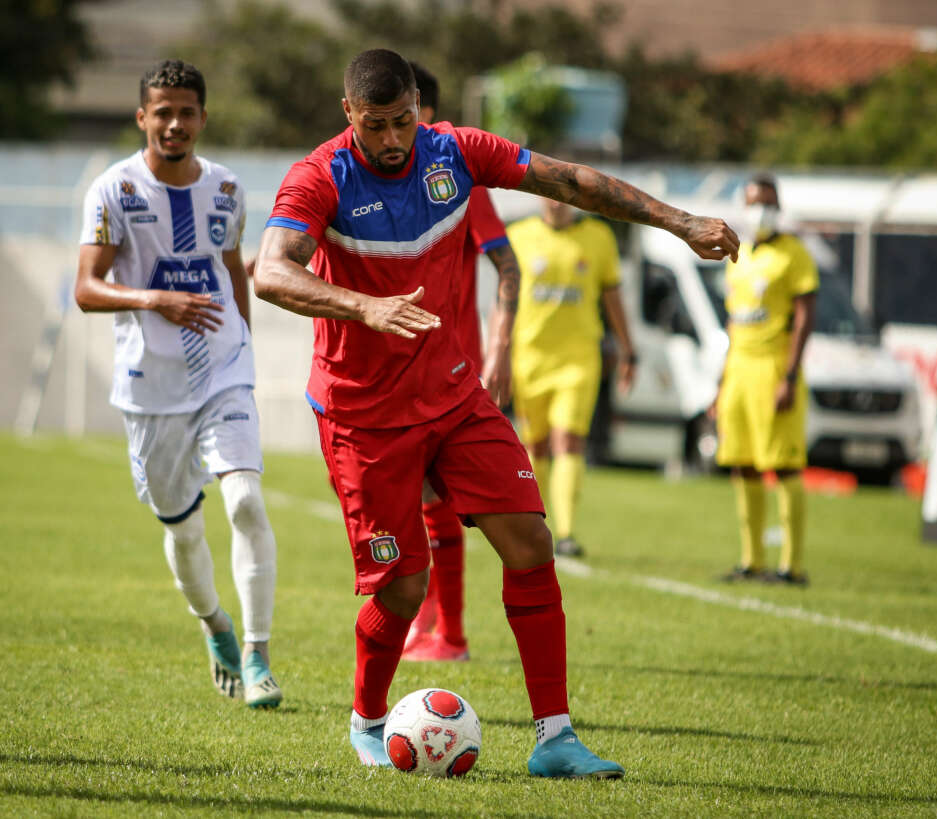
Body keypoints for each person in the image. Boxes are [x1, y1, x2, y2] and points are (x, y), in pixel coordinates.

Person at [253, 49, 737, 778]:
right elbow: (270, 269)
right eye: (376, 125)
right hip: (363, 414)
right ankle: (367, 717)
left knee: (531, 541)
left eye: (403, 121)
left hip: (453, 394)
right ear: (348, 115)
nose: (392, 139)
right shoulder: (319, 176)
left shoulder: (456, 151)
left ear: (421, 104)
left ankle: (555, 737)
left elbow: (570, 180)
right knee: (402, 586)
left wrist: (680, 221)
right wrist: (365, 306)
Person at [74, 59, 282, 709]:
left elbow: (231, 269)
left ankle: (258, 653)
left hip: (223, 368)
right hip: (151, 384)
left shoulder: (226, 188)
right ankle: (216, 625)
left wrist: (243, 341)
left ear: (202, 118)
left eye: (186, 112)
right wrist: (153, 298)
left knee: (246, 499)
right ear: (142, 117)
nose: (174, 123)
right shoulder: (112, 190)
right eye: (161, 112)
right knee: (184, 528)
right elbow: (85, 287)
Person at [400, 61, 522, 663]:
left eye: (406, 117)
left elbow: (506, 264)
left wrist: (500, 350)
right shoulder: (371, 180)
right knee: (420, 504)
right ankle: (430, 627)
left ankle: (450, 632)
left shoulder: (452, 172)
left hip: (453, 370)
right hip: (400, 374)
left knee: (442, 504)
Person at [507, 199, 637, 557]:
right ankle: (536, 525)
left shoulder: (598, 237)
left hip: (579, 359)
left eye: (564, 195)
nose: (556, 201)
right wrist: (497, 351)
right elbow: (503, 301)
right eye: (549, 193)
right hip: (529, 357)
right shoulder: (518, 236)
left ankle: (565, 533)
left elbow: (613, 296)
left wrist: (629, 349)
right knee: (535, 445)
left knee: (568, 440)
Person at [713, 173, 818, 585]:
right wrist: (720, 383)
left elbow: (805, 316)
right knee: (743, 464)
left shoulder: (794, 254)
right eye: (754, 202)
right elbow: (733, 322)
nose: (761, 211)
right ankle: (751, 560)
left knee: (785, 465)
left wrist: (789, 376)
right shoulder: (739, 257)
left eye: (768, 203)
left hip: (774, 368)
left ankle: (791, 566)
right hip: (739, 369)